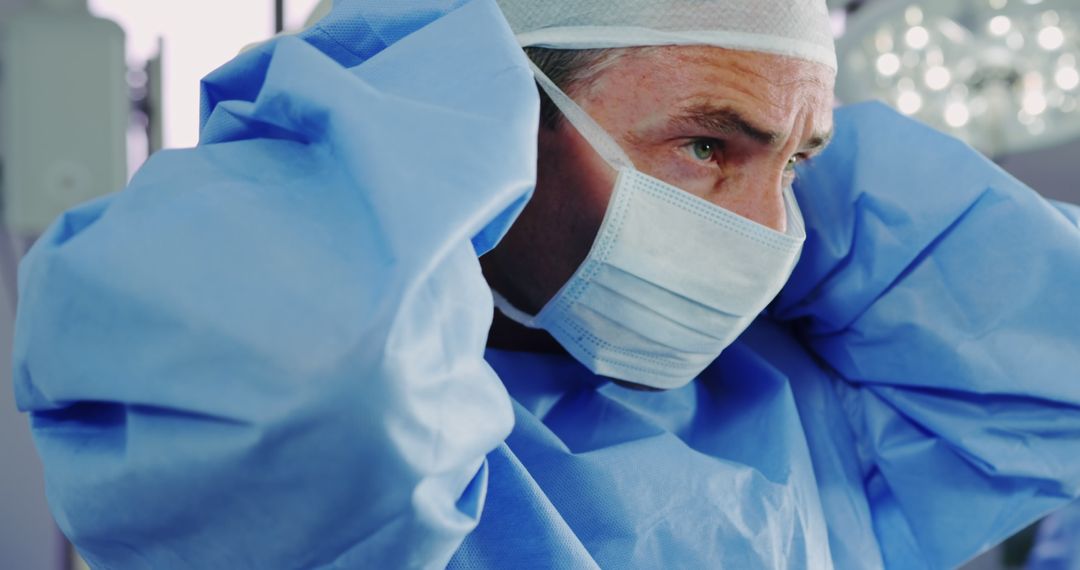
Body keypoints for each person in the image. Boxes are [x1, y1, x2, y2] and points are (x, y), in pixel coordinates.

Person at [12, 0, 1080, 568]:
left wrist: (780, 134)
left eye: (797, 164)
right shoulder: (346, 442)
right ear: (490, 116)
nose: (770, 240)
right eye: (708, 145)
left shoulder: (797, 401)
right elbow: (319, 392)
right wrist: (423, 79)